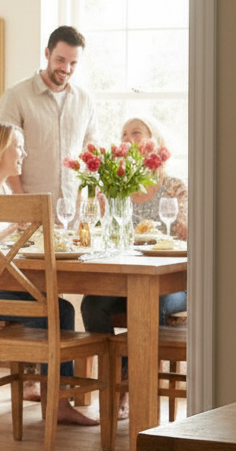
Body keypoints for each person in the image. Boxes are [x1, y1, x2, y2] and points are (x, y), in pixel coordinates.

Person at [0, 123, 95, 425]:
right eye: (18, 146)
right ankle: (58, 402)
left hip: (5, 282)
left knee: (59, 306)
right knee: (59, 309)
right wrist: (14, 229)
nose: (23, 153)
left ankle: (54, 397)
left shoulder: (1, 190)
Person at [80, 115, 188, 410]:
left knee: (147, 302)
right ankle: (111, 377)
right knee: (91, 304)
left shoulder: (174, 187)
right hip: (126, 279)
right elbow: (102, 233)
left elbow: (186, 234)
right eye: (124, 133)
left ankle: (131, 382)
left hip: (171, 281)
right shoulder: (118, 186)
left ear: (156, 142)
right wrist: (104, 213)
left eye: (136, 132)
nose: (127, 138)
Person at [0, 25, 100, 220]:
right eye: (60, 60)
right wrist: (23, 207)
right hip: (30, 214)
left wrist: (87, 203)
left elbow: (91, 156)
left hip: (75, 217)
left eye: (73, 63)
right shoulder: (16, 96)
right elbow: (4, 154)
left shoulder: (85, 100)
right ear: (47, 53)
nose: (66, 69)